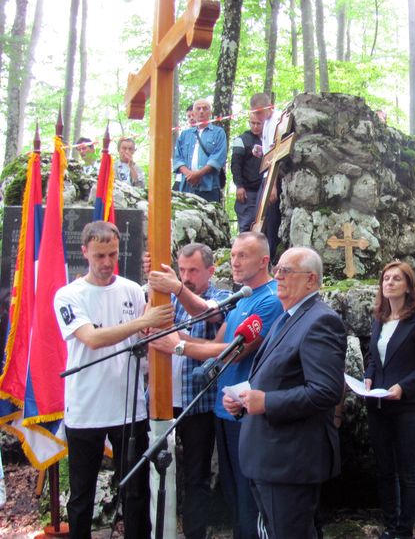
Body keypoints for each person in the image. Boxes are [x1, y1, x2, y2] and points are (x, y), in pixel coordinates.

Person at [150, 232, 283, 539]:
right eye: (233, 255)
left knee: (250, 497)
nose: (234, 261)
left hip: (248, 412)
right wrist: (173, 336)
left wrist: (178, 346)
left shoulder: (270, 298)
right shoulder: (242, 296)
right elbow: (215, 344)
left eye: (243, 256)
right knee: (235, 495)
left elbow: (234, 352)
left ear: (263, 261)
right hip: (226, 411)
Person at [53, 221, 174, 539]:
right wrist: (142, 321)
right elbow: (91, 339)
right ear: (85, 253)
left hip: (128, 405)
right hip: (86, 406)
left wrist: (149, 315)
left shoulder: (131, 289)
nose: (107, 262)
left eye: (112, 254)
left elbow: (146, 332)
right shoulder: (68, 295)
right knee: (82, 494)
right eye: (99, 256)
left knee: (136, 491)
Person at [225, 247, 347, 539]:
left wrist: (266, 402)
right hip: (269, 457)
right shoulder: (286, 317)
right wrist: (243, 400)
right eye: (277, 269)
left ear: (311, 279)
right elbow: (276, 376)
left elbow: (326, 391)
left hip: (290, 461)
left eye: (286, 271)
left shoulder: (321, 321)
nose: (277, 276)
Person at [145, 243, 231, 539]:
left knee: (197, 475)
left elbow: (207, 315)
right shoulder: (168, 297)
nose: (185, 276)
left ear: (211, 270)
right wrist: (152, 283)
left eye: (193, 270)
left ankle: (195, 533)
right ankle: (160, 530)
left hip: (198, 403)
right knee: (156, 468)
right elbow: (146, 328)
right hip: (163, 399)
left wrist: (176, 339)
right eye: (181, 270)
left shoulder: (223, 298)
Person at [363, 261, 415, 539]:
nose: (389, 283)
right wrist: (368, 377)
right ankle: (391, 526)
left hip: (407, 406)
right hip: (378, 405)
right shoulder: (379, 318)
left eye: (396, 279)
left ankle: (404, 530)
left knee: (409, 473)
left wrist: (404, 387)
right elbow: (374, 358)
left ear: (408, 286)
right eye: (386, 278)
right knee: (385, 471)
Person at [173, 98, 227, 202]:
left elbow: (218, 158)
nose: (201, 111)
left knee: (209, 212)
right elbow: (177, 158)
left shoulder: (218, 133)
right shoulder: (184, 134)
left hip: (209, 187)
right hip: (187, 186)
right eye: (198, 108)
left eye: (205, 108)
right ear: (193, 113)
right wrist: (189, 174)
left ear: (210, 112)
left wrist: (198, 174)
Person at [249, 93, 282, 260]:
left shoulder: (277, 121)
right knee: (259, 220)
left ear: (270, 107)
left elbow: (277, 154)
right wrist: (261, 150)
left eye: (259, 112)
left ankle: (271, 258)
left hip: (273, 178)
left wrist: (273, 185)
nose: (257, 117)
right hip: (266, 178)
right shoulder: (267, 122)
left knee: (270, 221)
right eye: (254, 113)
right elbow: (269, 151)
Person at [231, 114, 264, 233]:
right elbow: (236, 164)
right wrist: (239, 186)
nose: (255, 126)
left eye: (258, 123)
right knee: (247, 225)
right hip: (248, 191)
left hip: (265, 187)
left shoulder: (269, 138)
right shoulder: (241, 139)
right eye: (252, 123)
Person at [174, 105, 196, 191]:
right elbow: (178, 157)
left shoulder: (212, 133)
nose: (191, 118)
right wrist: (187, 173)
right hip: (183, 180)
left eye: (193, 115)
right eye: (189, 116)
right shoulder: (184, 135)